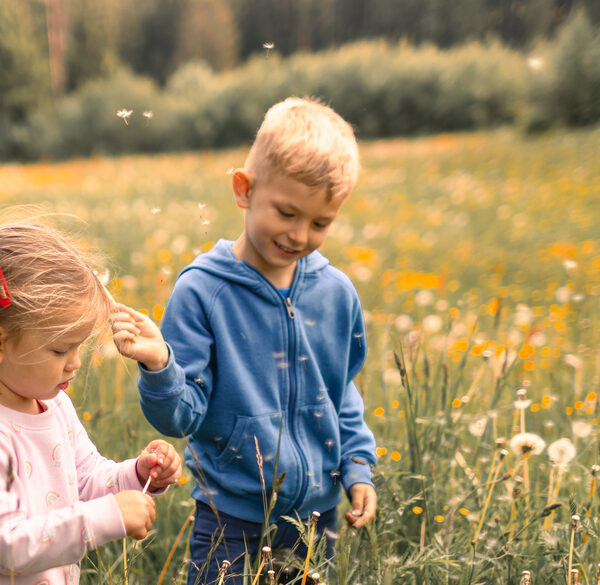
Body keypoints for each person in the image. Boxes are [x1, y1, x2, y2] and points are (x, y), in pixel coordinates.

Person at [111, 97, 377, 584]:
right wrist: (159, 365)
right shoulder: (202, 291)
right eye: (287, 213)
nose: (299, 235)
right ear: (244, 189)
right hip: (230, 515)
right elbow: (180, 415)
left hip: (316, 514)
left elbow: (343, 391)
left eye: (320, 223)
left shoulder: (336, 294)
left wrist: (357, 464)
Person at [0, 219, 183, 585]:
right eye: (59, 349)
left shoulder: (55, 406)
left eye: (80, 345)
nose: (76, 362)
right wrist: (104, 518)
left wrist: (136, 475)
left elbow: (85, 480)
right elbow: (8, 545)